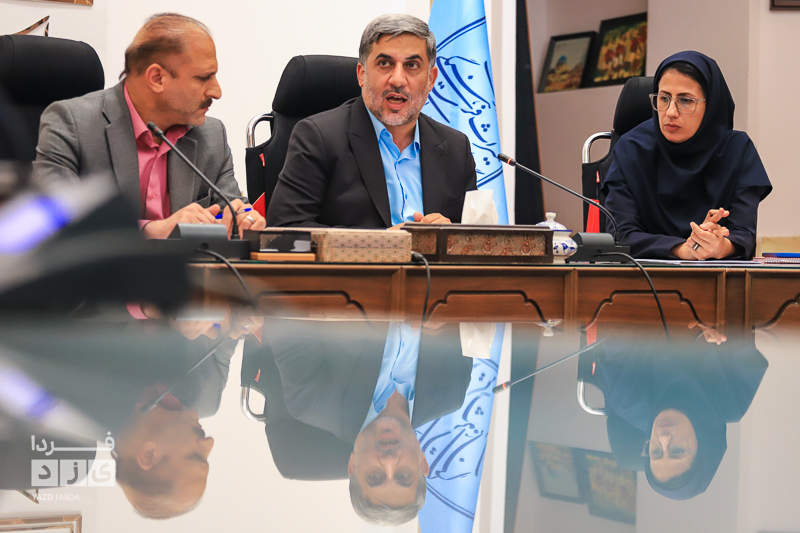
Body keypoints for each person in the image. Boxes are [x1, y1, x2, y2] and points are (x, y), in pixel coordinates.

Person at [33, 13, 266, 238]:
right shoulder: (72, 124)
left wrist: (245, 220)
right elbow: (57, 223)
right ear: (157, 78)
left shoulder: (211, 135)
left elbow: (233, 209)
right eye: (204, 77)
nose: (217, 91)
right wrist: (151, 231)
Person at [266, 14, 477, 229]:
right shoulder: (318, 138)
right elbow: (286, 229)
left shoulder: (456, 147)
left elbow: (477, 237)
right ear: (361, 74)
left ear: (431, 79)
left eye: (412, 65)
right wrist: (382, 243)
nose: (397, 80)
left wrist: (451, 235)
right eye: (385, 63)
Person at [255, 318, 472, 525]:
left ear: (353, 464)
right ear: (422, 463)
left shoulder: (312, 398)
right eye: (403, 476)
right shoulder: (451, 391)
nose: (389, 460)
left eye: (375, 476)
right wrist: (450, 316)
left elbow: (287, 307)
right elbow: (477, 315)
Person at [603, 51, 772, 259]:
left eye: (685, 100)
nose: (670, 112)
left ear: (711, 105)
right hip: (639, 275)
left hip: (718, 275)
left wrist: (720, 245)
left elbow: (744, 235)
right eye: (663, 98)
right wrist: (683, 249)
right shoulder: (631, 149)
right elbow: (619, 235)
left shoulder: (738, 150)